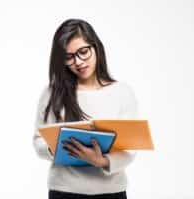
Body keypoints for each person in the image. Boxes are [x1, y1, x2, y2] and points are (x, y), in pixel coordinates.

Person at [33, 18, 139, 199]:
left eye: (83, 51)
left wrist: (101, 161)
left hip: (110, 192)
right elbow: (38, 141)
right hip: (64, 191)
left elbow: (131, 148)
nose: (79, 61)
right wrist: (58, 148)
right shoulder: (52, 93)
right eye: (69, 57)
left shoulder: (122, 92)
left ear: (96, 46)